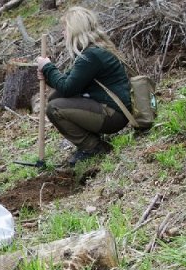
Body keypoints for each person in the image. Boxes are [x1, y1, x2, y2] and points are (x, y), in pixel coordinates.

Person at [36, 6, 130, 165]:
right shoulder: (92, 52)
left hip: (114, 115)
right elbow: (68, 83)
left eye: (65, 28)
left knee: (55, 108)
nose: (63, 33)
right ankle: (92, 142)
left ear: (75, 29)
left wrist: (47, 67)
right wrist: (47, 72)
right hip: (111, 109)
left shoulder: (91, 56)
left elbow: (68, 87)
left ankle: (93, 147)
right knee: (56, 97)